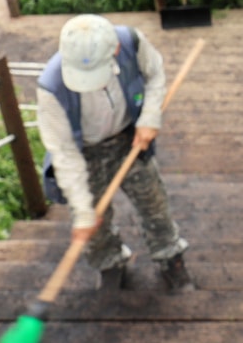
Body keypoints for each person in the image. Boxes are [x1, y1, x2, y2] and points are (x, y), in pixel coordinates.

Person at [36, 14, 193, 292]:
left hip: (128, 139)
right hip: (83, 154)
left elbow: (155, 74)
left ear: (115, 51)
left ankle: (170, 257)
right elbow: (63, 153)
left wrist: (149, 117)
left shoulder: (130, 42)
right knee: (93, 226)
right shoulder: (51, 88)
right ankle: (110, 263)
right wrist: (83, 209)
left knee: (154, 204)